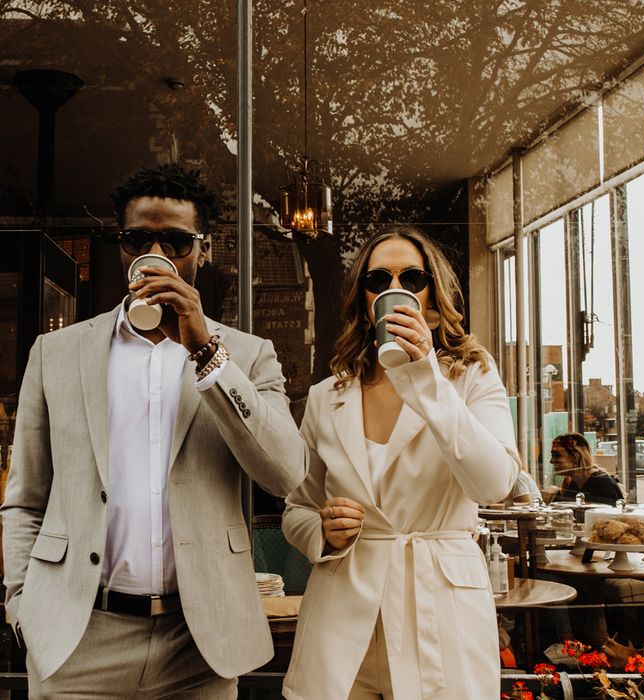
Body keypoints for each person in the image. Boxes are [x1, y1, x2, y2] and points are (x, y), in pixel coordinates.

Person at [1, 163, 308, 698]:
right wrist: (24, 605)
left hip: (199, 645)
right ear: (121, 247)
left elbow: (285, 474)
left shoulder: (248, 355)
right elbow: (26, 499)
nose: (158, 255)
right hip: (77, 638)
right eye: (139, 238)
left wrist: (206, 352)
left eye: (177, 241)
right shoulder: (57, 353)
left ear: (203, 249)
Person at [281, 225, 520, 700]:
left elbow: (495, 484)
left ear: (432, 298)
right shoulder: (327, 396)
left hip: (441, 615)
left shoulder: (472, 375)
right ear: (364, 304)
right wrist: (323, 534)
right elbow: (297, 508)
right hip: (343, 619)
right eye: (378, 281)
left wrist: (425, 378)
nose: (394, 291)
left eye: (411, 279)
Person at [543, 433, 623, 505]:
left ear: (575, 457)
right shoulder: (571, 482)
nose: (551, 461)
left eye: (557, 455)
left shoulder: (600, 482)